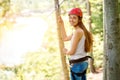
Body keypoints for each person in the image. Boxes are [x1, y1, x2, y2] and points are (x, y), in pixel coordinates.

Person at [58, 8, 93, 80]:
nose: (71, 20)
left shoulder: (78, 32)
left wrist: (66, 51)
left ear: (79, 19)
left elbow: (72, 52)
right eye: (70, 17)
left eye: (74, 18)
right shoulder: (79, 31)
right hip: (83, 63)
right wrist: (61, 24)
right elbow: (65, 38)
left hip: (77, 64)